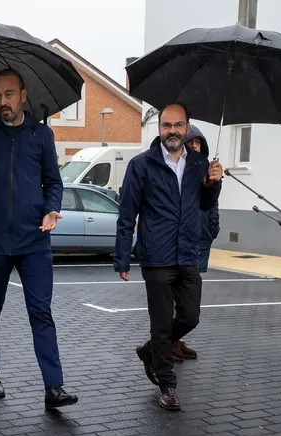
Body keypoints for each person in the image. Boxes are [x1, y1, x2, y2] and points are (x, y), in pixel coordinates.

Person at [0, 69, 78, 412]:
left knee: (41, 312)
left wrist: (52, 209)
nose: (3, 102)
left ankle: (53, 386)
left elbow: (53, 182)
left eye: (9, 94)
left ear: (23, 96)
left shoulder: (42, 135)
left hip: (34, 239)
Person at [114, 104, 223, 411]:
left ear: (186, 128)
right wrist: (122, 257)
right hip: (156, 256)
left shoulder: (199, 163)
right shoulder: (141, 165)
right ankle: (167, 385)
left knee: (190, 316)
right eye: (166, 125)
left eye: (178, 125)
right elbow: (127, 213)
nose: (172, 130)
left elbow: (205, 204)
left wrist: (213, 184)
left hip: (188, 252)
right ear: (159, 128)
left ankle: (151, 350)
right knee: (161, 324)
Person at [172, 124, 221, 362]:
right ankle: (168, 343)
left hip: (201, 241)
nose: (194, 146)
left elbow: (212, 204)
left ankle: (175, 341)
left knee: (187, 299)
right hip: (183, 243)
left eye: (198, 142)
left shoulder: (207, 169)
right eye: (190, 142)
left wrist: (212, 229)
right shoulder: (180, 170)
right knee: (177, 299)